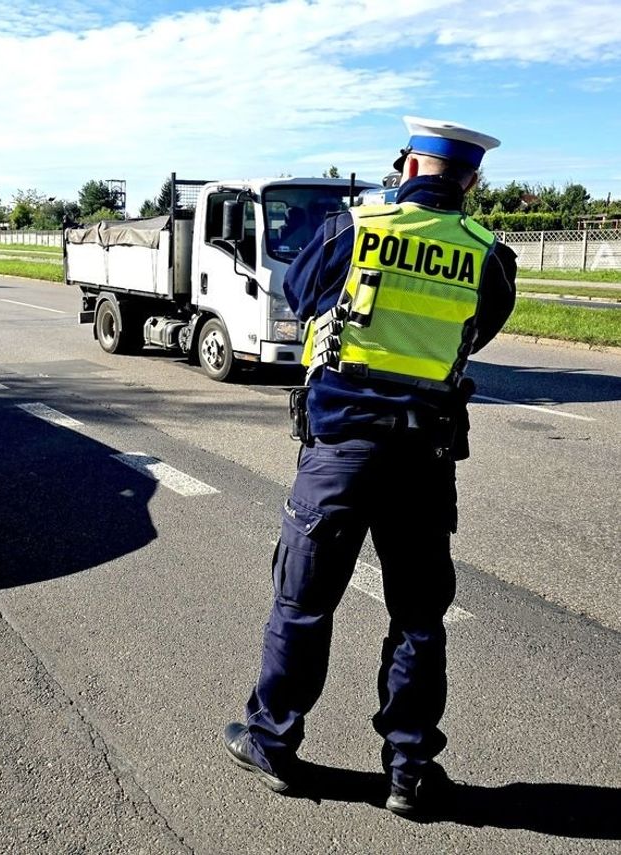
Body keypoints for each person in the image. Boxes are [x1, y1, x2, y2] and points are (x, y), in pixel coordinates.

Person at [223, 116, 517, 817]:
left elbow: (301, 295)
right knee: (418, 617)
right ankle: (409, 770)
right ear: (472, 180)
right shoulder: (489, 256)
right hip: (425, 457)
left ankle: (273, 741)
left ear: (408, 166)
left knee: (303, 603)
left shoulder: (351, 228)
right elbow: (478, 330)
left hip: (341, 452)